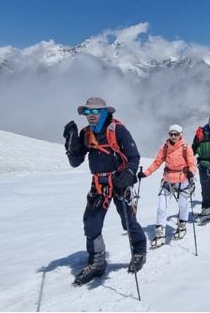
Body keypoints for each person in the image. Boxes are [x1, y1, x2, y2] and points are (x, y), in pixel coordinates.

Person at [63, 97, 147, 285]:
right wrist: (70, 144)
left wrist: (129, 173)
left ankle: (140, 248)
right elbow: (75, 162)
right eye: (87, 112)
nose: (90, 116)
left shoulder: (118, 130)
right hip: (99, 183)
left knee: (128, 221)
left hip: (119, 182)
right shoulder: (86, 134)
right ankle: (97, 262)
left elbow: (134, 156)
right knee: (91, 222)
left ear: (104, 112)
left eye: (94, 112)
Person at [138, 124, 196, 248]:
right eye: (171, 134)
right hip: (168, 179)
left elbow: (192, 163)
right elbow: (157, 162)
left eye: (176, 134)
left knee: (183, 204)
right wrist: (146, 173)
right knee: (161, 207)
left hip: (182, 179)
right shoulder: (165, 147)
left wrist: (191, 172)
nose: (173, 136)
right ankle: (160, 232)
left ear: (181, 135)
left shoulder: (186, 148)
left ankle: (182, 225)